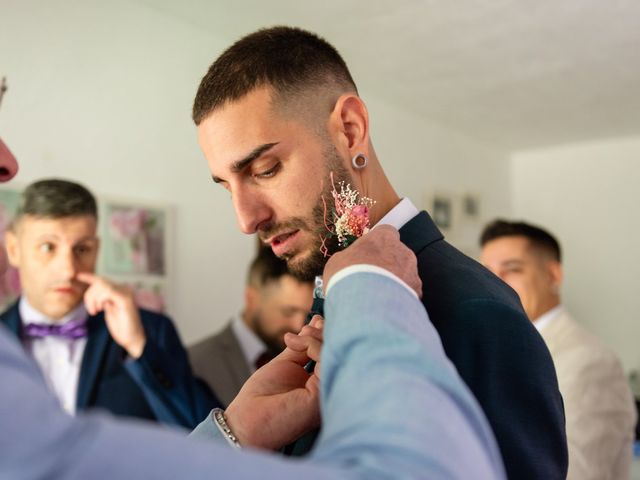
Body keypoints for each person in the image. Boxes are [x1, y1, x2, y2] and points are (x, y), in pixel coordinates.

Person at [192, 26, 566, 478]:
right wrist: (239, 435)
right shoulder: (322, 291)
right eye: (225, 188)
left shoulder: (477, 313)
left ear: (350, 131)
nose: (245, 220)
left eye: (265, 169)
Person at [0, 178, 219, 428]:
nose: (68, 270)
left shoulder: (152, 330)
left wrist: (139, 346)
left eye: (82, 249)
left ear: (97, 249)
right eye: (48, 247)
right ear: (14, 249)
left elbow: (205, 434)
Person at [480, 219, 637, 480]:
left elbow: (577, 474)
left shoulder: (589, 363)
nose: (495, 282)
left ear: (553, 275)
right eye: (486, 271)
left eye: (513, 269)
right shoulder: (501, 349)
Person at [190, 246, 313, 406]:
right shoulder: (194, 364)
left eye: (307, 314)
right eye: (288, 312)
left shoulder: (310, 360)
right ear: (252, 299)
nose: (299, 325)